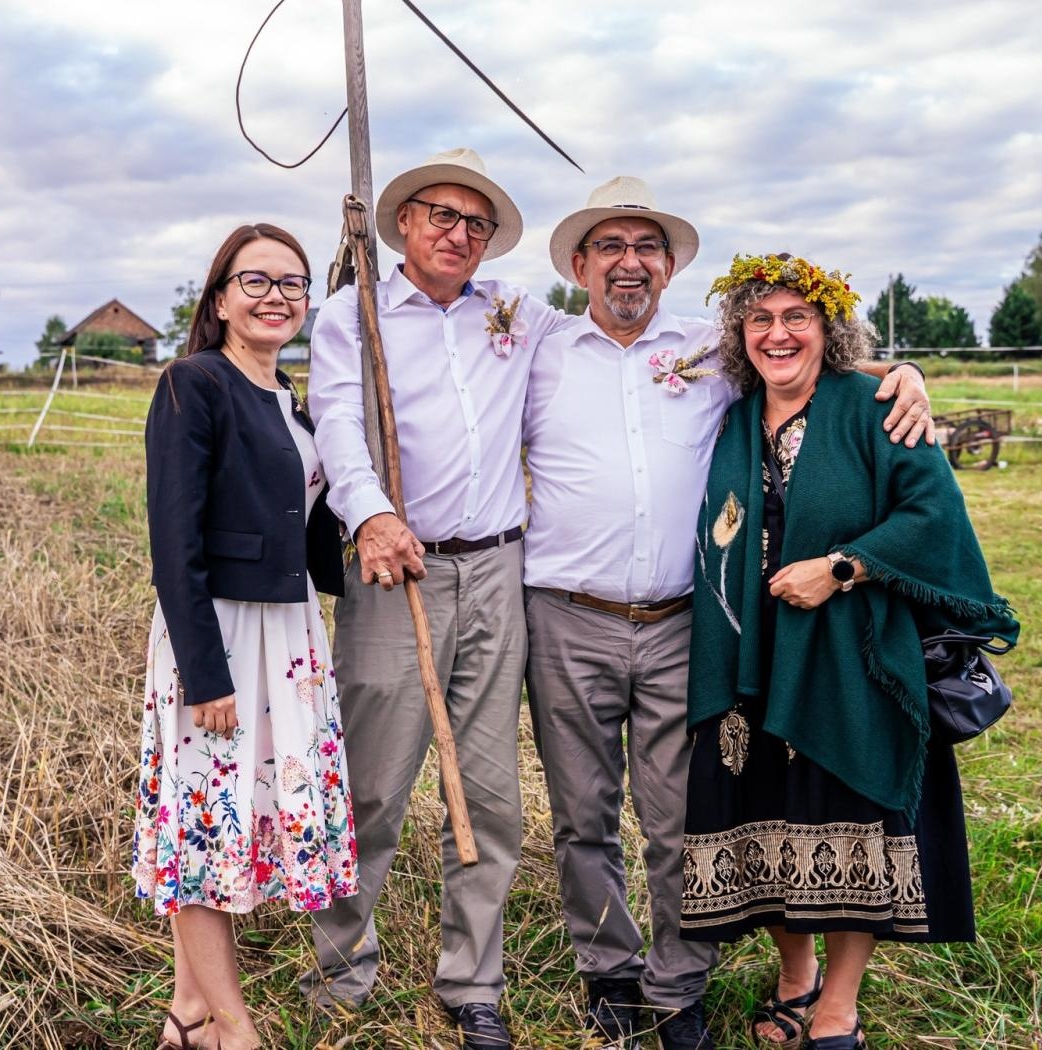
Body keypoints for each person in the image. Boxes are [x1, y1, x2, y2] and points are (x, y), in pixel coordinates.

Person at [523, 181, 934, 1050]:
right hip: (567, 616)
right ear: (577, 263)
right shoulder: (537, 349)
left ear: (670, 267)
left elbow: (804, 361)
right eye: (609, 245)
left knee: (683, 811)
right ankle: (609, 971)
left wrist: (902, 373)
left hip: (684, 623)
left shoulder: (706, 355)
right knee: (582, 814)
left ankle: (678, 985)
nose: (628, 261)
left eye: (646, 246)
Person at [682, 253, 1019, 1048]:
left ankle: (838, 1003)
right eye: (759, 319)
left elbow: (934, 517)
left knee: (850, 817)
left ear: (830, 329)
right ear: (739, 335)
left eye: (797, 317)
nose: (777, 333)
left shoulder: (874, 408)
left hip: (850, 658)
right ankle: (793, 975)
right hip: (749, 656)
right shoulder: (731, 415)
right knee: (766, 810)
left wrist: (842, 568)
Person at [303, 148, 562, 1049]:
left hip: (498, 566)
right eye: (440, 216)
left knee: (490, 793)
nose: (458, 233)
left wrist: (871, 371)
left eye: (475, 222)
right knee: (371, 785)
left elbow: (632, 349)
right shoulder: (354, 315)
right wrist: (371, 517)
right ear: (403, 223)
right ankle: (339, 969)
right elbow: (336, 421)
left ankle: (472, 981)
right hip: (393, 567)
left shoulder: (518, 316)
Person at [131, 222, 356, 1050]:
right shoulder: (195, 384)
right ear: (220, 297)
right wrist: (206, 671)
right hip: (220, 634)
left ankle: (188, 1013)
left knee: (241, 814)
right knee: (202, 826)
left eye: (293, 284)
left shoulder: (289, 397)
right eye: (255, 281)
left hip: (288, 630)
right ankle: (236, 1027)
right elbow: (173, 539)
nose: (276, 297)